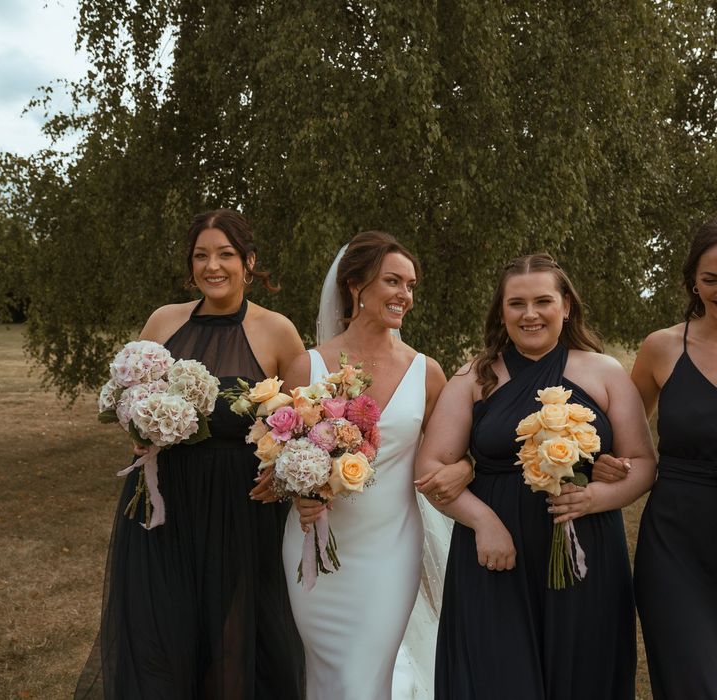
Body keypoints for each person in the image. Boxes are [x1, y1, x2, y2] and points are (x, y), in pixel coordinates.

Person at [74, 210, 306, 699]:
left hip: (240, 513)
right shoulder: (163, 321)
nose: (212, 266)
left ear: (249, 261)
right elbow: (129, 396)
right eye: (201, 255)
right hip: (165, 505)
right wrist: (136, 431)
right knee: (160, 634)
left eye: (225, 254)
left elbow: (300, 426)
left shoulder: (278, 332)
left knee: (234, 641)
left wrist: (282, 475)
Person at [418, 253, 657, 700]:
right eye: (516, 304)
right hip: (493, 557)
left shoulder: (603, 372)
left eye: (542, 301)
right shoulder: (475, 377)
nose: (530, 314)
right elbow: (430, 471)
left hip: (585, 549)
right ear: (501, 311)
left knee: (583, 674)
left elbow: (642, 463)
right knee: (497, 676)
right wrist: (484, 524)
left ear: (566, 306)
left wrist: (596, 498)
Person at [281, 231, 470, 700]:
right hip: (315, 546)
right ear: (355, 287)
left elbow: (457, 454)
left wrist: (463, 470)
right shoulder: (306, 367)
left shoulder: (426, 373)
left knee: (365, 677)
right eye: (392, 281)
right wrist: (298, 492)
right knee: (328, 675)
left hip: (391, 549)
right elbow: (276, 456)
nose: (404, 295)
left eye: (410, 285)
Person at [633, 219, 717, 698]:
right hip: (676, 546)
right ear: (692, 281)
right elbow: (619, 433)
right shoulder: (662, 347)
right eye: (712, 279)